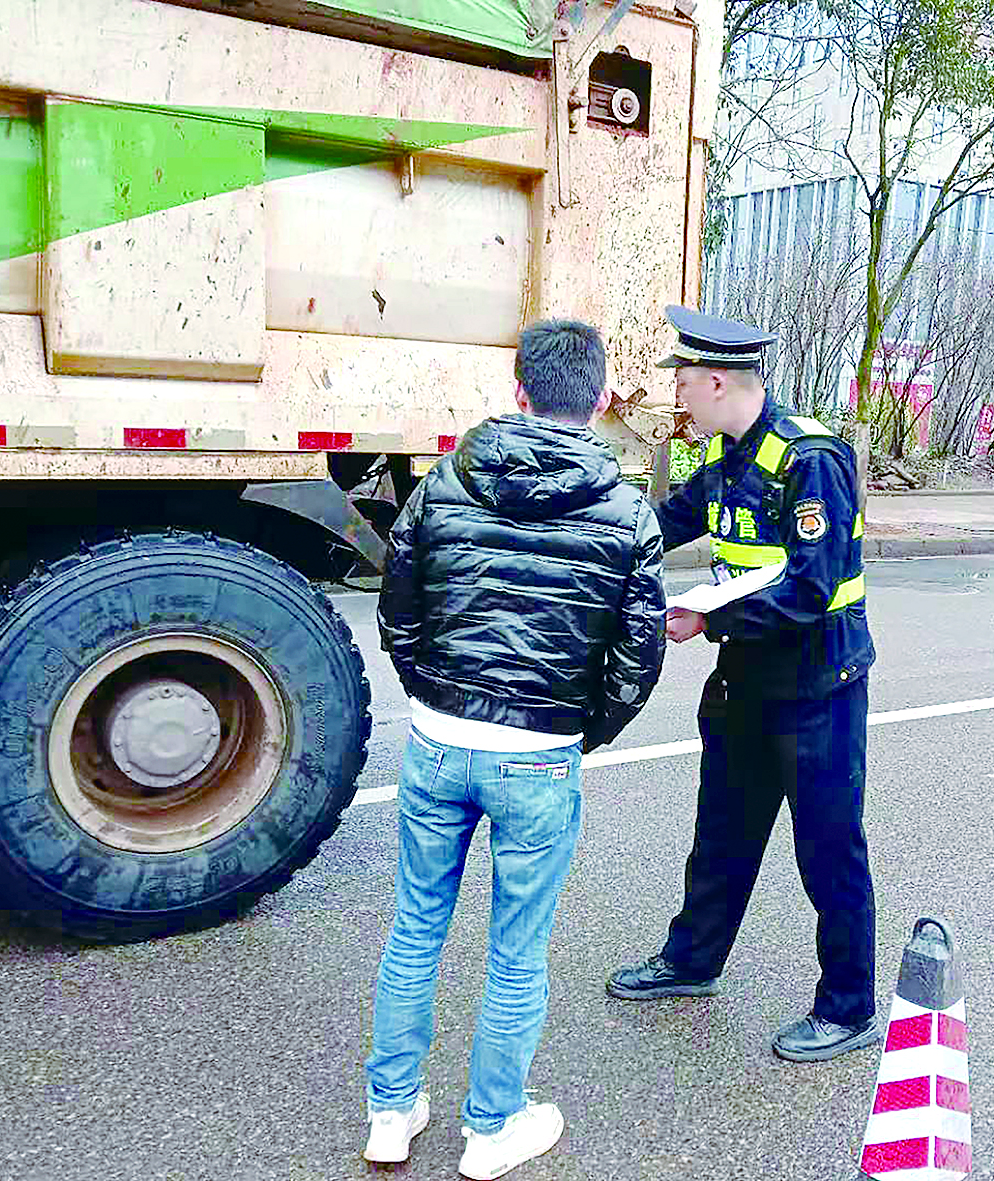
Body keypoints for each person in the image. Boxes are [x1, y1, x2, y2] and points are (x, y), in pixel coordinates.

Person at [366, 319, 666, 1178]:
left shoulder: (444, 482)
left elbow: (398, 607)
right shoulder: (626, 511)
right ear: (601, 400)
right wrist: (582, 729)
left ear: (518, 390)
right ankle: (491, 1126)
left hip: (439, 738)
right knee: (516, 948)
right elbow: (637, 652)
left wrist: (431, 693)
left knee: (415, 927)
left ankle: (390, 1112)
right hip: (538, 751)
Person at [606, 305, 879, 1063]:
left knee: (828, 849)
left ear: (719, 381)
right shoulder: (727, 458)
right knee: (722, 834)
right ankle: (692, 961)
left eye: (684, 382)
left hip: (818, 686)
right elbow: (662, 522)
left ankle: (848, 1006)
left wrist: (707, 619)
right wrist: (589, 540)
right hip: (747, 683)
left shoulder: (809, 460)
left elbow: (811, 589)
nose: (678, 396)